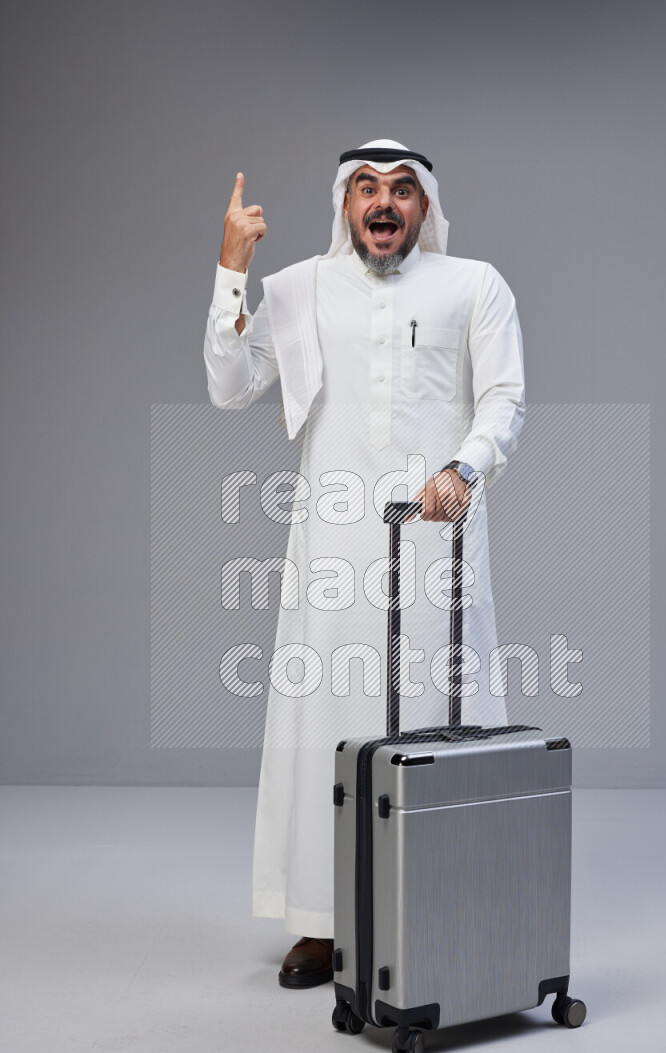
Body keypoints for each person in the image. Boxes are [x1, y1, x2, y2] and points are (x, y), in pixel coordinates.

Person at [204, 139, 525, 989]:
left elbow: (504, 396)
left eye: (402, 191)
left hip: (439, 539)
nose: (384, 205)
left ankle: (449, 903)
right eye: (367, 189)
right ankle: (321, 920)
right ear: (346, 204)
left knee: (442, 716)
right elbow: (230, 384)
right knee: (328, 719)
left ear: (426, 207)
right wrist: (232, 268)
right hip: (336, 546)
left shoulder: (474, 285)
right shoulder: (304, 287)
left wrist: (465, 465)